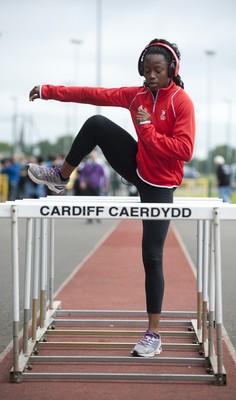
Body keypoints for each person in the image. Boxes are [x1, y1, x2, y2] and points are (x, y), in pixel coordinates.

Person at [27, 38, 195, 357]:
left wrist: (147, 132)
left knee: (153, 255)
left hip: (161, 184)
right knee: (97, 123)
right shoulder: (137, 96)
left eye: (158, 70)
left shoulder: (181, 102)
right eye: (146, 71)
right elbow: (93, 94)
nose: (151, 77)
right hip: (137, 166)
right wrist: (49, 90)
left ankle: (153, 334)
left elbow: (185, 150)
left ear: (172, 70)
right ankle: (61, 176)